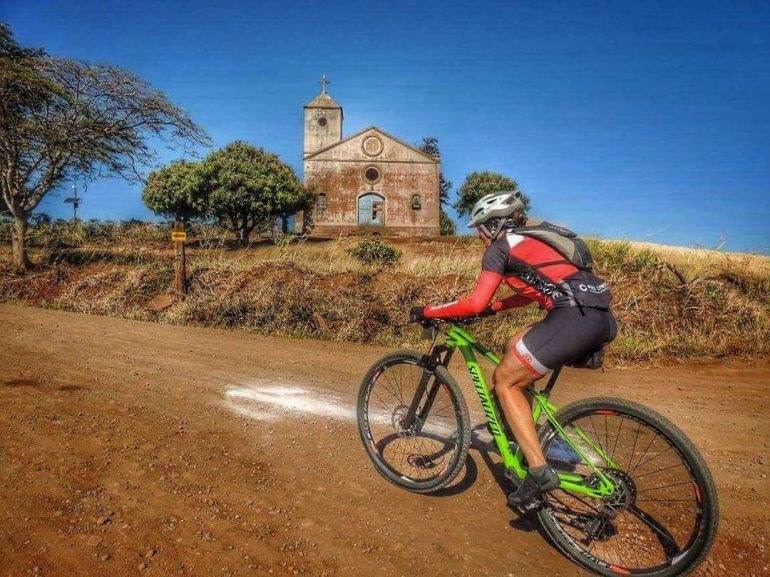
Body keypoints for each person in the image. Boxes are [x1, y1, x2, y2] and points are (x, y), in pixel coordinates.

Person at [410, 191, 617, 507]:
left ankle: (538, 471)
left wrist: (429, 311)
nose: (479, 236)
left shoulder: (500, 248)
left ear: (493, 226)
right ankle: (517, 430)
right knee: (514, 346)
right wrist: (495, 308)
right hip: (598, 317)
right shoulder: (534, 242)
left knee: (505, 380)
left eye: (480, 229)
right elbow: (533, 291)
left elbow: (473, 302)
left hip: (573, 316)